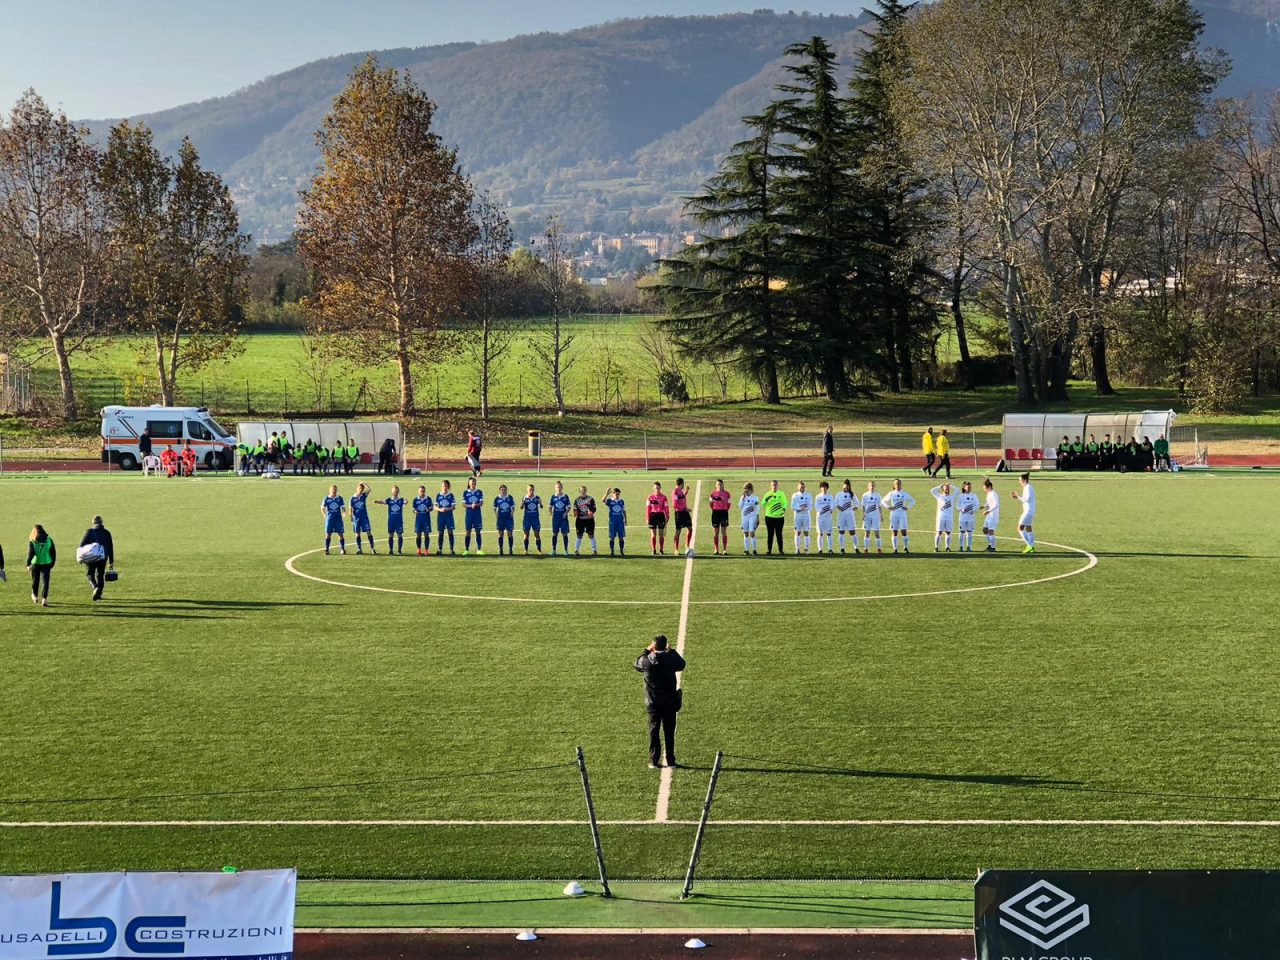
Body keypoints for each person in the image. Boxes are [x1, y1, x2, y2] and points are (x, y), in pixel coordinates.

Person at [634, 634, 685, 770]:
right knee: (669, 731)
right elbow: (682, 664)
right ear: (665, 645)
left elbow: (636, 663)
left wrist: (646, 650)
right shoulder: (670, 659)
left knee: (653, 731)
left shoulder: (646, 661)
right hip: (669, 702)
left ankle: (653, 760)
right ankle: (670, 761)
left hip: (653, 702)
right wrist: (672, 650)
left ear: (653, 646)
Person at [78, 516, 115, 601]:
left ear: (93, 523)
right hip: (103, 557)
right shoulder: (107, 533)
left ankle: (95, 587)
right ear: (101, 523)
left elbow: (81, 545)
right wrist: (111, 561)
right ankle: (99, 594)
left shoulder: (89, 532)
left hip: (92, 557)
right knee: (100, 575)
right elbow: (110, 547)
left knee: (90, 574)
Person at [882, 479, 915, 554]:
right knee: (894, 532)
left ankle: (906, 547)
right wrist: (889, 507)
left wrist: (908, 507)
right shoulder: (891, 493)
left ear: (901, 484)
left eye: (899, 483)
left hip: (902, 515)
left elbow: (912, 500)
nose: (898, 484)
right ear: (894, 485)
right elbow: (883, 501)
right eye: (896, 483)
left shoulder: (904, 493)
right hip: (894, 515)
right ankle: (895, 549)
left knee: (904, 531)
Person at [26, 524, 55, 607]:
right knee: (46, 581)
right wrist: (52, 563)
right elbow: (53, 552)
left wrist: (28, 564)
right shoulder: (49, 540)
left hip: (36, 563)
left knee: (35, 580)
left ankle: (35, 596)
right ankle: (44, 599)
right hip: (46, 562)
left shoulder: (33, 541)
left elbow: (30, 553)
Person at [375, 485, 406, 555]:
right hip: (391, 521)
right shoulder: (389, 500)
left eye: (396, 491)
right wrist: (376, 501)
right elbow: (383, 502)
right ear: (392, 491)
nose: (395, 492)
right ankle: (391, 550)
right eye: (394, 491)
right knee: (390, 535)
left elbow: (405, 502)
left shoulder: (401, 500)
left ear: (398, 491)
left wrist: (406, 501)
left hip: (399, 521)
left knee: (399, 535)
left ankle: (399, 550)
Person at [761, 480, 788, 555]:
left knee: (779, 534)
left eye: (775, 485)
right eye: (773, 485)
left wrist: (783, 509)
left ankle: (781, 550)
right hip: (769, 517)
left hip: (779, 518)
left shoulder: (781, 494)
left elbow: (785, 503)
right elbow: (763, 504)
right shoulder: (767, 494)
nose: (774, 487)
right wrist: (767, 499)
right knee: (770, 534)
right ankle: (769, 550)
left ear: (777, 486)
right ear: (770, 486)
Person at [1011, 472, 1036, 554]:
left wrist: (1017, 496)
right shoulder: (1028, 487)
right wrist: (1018, 497)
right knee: (1028, 527)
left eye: (1020, 480)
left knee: (1019, 528)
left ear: (1025, 480)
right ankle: (1032, 547)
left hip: (1028, 511)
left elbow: (1026, 499)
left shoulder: (1028, 487)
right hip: (1030, 510)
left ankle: (1030, 545)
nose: (1019, 482)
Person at [350, 482, 375, 554]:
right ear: (356, 488)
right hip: (356, 518)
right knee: (357, 534)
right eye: (359, 488)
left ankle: (372, 548)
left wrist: (364, 483)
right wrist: (351, 516)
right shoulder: (352, 498)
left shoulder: (364, 495)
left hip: (364, 517)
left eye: (362, 489)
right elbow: (350, 508)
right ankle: (359, 549)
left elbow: (369, 489)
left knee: (368, 532)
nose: (361, 490)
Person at [834, 479, 858, 554]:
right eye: (845, 485)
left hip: (850, 515)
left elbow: (857, 504)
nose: (846, 487)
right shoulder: (838, 494)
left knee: (852, 532)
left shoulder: (852, 494)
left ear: (849, 486)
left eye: (848, 485)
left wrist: (852, 510)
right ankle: (842, 549)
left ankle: (856, 548)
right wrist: (838, 507)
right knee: (841, 531)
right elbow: (835, 504)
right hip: (841, 515)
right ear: (843, 485)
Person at [463, 476, 485, 555]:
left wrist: (475, 505)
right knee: (467, 532)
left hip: (477, 515)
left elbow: (481, 503)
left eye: (474, 483)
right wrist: (470, 506)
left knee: (478, 532)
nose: (473, 484)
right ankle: (466, 550)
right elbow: (463, 504)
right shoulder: (465, 492)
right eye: (472, 483)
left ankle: (479, 549)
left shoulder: (479, 492)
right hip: (469, 515)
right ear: (469, 483)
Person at [930, 482, 956, 552]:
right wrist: (940, 485)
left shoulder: (952, 496)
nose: (947, 489)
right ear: (943, 489)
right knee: (939, 532)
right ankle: (936, 547)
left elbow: (958, 490)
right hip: (940, 517)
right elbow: (932, 490)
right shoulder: (939, 496)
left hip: (949, 517)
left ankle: (947, 547)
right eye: (945, 487)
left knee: (948, 532)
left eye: (948, 488)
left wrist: (951, 485)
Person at [708, 480, 732, 556]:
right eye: (718, 484)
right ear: (716, 485)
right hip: (715, 513)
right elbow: (711, 504)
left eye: (721, 484)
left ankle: (724, 549)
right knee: (716, 532)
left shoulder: (727, 494)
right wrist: (715, 509)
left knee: (724, 532)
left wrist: (724, 509)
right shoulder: (712, 494)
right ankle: (716, 549)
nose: (719, 486)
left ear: (723, 485)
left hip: (724, 513)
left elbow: (729, 504)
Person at [573, 485, 598, 556]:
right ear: (579, 492)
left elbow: (594, 508)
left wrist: (591, 512)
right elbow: (575, 509)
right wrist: (575, 513)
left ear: (586, 491)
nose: (583, 492)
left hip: (589, 520)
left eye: (584, 490)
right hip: (580, 520)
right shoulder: (577, 500)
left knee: (591, 535)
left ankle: (594, 550)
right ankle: (576, 550)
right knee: (579, 535)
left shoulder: (591, 499)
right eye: (581, 491)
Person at [956, 481, 980, 553]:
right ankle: (961, 547)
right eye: (968, 487)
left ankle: (969, 547)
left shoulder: (974, 495)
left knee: (970, 532)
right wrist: (961, 509)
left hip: (971, 517)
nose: (969, 488)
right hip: (962, 517)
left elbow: (977, 504)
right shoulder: (960, 496)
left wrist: (974, 510)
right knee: (962, 532)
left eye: (970, 487)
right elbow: (957, 505)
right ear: (964, 487)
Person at [646, 482, 670, 556]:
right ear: (653, 488)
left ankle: (661, 549)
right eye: (656, 488)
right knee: (653, 535)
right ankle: (653, 549)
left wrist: (667, 516)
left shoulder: (664, 497)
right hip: (652, 516)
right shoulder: (649, 497)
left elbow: (666, 507)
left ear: (660, 488)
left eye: (658, 488)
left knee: (661, 535)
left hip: (660, 516)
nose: (657, 489)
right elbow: (648, 508)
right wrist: (647, 518)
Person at [790, 480, 813, 555]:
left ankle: (806, 549)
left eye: (803, 487)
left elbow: (810, 505)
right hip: (797, 516)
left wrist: (804, 508)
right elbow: (792, 506)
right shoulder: (795, 495)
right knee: (797, 532)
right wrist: (800, 508)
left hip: (806, 515)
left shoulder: (808, 495)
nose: (801, 488)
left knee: (806, 532)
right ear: (798, 487)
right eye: (800, 487)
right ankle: (797, 549)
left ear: (804, 487)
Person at [493, 484, 516, 555]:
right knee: (500, 534)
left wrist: (512, 512)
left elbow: (513, 506)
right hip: (500, 519)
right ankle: (501, 549)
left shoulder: (510, 497)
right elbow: (494, 507)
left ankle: (510, 549)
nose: (503, 491)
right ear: (499, 491)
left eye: (504, 490)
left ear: (506, 490)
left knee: (510, 534)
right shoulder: (497, 498)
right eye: (502, 490)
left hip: (509, 518)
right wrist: (496, 514)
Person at [322, 484, 346, 555]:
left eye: (335, 490)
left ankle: (342, 549)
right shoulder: (326, 498)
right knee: (328, 533)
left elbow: (343, 507)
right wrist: (324, 514)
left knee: (340, 533)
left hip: (338, 518)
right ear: (330, 490)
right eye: (333, 490)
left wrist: (344, 512)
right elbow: (322, 507)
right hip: (329, 518)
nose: (334, 491)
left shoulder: (339, 498)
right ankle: (327, 549)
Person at [549, 481, 571, 557]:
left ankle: (565, 550)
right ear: (555, 488)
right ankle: (554, 550)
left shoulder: (565, 496)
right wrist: (550, 512)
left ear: (562, 488)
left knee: (564, 534)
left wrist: (566, 512)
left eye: (560, 487)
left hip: (563, 518)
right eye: (557, 487)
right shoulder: (553, 497)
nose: (559, 488)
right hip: (555, 518)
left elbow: (569, 506)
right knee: (555, 533)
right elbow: (550, 506)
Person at [860, 481, 883, 554]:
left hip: (875, 516)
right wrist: (863, 514)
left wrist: (881, 515)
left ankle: (879, 548)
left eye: (873, 485)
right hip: (867, 516)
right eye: (870, 485)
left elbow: (879, 506)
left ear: (875, 487)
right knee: (867, 532)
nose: (872, 487)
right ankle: (866, 548)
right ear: (868, 486)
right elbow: (863, 506)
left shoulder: (878, 495)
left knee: (877, 532)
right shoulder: (865, 495)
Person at [813, 480, 835, 554]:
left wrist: (831, 509)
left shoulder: (830, 496)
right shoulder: (818, 497)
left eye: (825, 487)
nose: (823, 488)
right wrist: (821, 510)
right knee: (820, 533)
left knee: (829, 533)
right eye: (822, 487)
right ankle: (820, 549)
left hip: (828, 517)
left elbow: (832, 505)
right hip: (820, 518)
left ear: (827, 488)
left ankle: (830, 549)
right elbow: (816, 507)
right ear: (820, 488)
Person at [436, 480, 457, 555]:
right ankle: (440, 550)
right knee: (440, 532)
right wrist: (440, 509)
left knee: (450, 532)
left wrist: (447, 509)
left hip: (449, 516)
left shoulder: (451, 495)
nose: (444, 487)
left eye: (446, 485)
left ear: (448, 486)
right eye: (443, 485)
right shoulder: (438, 495)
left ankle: (451, 549)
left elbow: (453, 506)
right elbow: (435, 507)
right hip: (441, 516)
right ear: (441, 486)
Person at [521, 484, 544, 555]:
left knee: (537, 534)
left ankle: (539, 550)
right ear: (527, 490)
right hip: (527, 519)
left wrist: (540, 503)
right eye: (530, 490)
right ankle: (526, 550)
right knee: (526, 534)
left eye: (532, 490)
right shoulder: (525, 498)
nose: (531, 491)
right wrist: (523, 502)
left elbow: (542, 507)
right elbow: (521, 507)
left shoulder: (537, 498)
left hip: (535, 519)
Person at [672, 478, 692, 554]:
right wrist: (685, 508)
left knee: (690, 528)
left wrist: (686, 491)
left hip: (684, 512)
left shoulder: (680, 491)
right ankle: (676, 549)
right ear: (682, 483)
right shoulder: (675, 491)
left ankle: (687, 545)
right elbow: (675, 504)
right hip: (679, 513)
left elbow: (682, 496)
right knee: (678, 531)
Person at [739, 482, 760, 555]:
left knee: (752, 533)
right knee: (745, 533)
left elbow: (757, 508)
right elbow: (740, 506)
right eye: (744, 490)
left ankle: (754, 550)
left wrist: (757, 518)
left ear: (750, 489)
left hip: (752, 517)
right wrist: (743, 498)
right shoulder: (743, 497)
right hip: (744, 517)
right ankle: (746, 550)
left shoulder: (755, 498)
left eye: (747, 489)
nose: (745, 491)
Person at [412, 485, 433, 556]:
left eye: (424, 491)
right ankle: (419, 549)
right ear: (418, 492)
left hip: (426, 519)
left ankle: (426, 550)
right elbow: (413, 509)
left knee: (426, 534)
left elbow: (432, 507)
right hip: (418, 520)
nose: (422, 492)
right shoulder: (415, 499)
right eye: (421, 491)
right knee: (418, 535)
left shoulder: (428, 499)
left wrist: (429, 509)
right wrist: (415, 511)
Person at [605, 487, 627, 556]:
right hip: (612, 522)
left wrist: (626, 520)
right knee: (612, 537)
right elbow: (603, 500)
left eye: (618, 494)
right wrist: (606, 493)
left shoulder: (621, 501)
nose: (617, 496)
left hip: (620, 521)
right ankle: (612, 551)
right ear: (613, 494)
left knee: (621, 537)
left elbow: (624, 511)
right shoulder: (610, 501)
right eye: (616, 494)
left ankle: (621, 551)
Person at [981, 478, 1000, 552]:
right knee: (984, 530)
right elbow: (989, 503)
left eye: (985, 488)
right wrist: (984, 506)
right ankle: (990, 544)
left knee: (990, 531)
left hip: (993, 516)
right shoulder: (989, 494)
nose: (984, 490)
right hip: (989, 516)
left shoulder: (993, 494)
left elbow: (996, 505)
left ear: (989, 487)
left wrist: (988, 511)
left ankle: (993, 547)